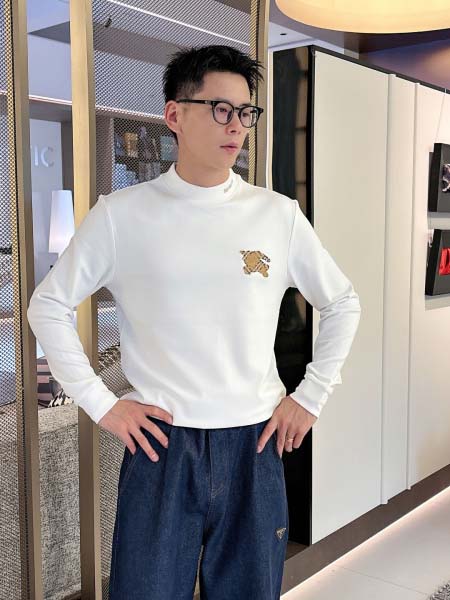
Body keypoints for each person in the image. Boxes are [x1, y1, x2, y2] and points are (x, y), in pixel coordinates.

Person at [27, 44, 361, 599]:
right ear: (174, 114)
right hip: (162, 446)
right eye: (220, 108)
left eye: (246, 112)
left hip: (255, 442)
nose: (237, 126)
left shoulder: (276, 215)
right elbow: (48, 305)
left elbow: (343, 301)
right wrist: (102, 403)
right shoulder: (122, 215)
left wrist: (311, 394)